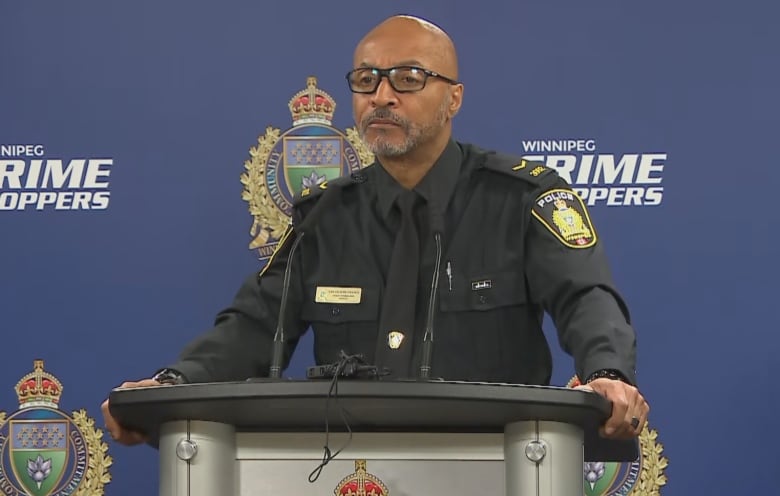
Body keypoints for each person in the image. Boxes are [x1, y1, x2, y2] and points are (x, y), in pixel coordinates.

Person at [102, 14, 649, 445]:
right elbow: (251, 326)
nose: (382, 96)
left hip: (494, 461)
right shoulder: (323, 215)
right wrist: (172, 385)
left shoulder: (522, 198)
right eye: (366, 80)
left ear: (454, 97)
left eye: (409, 78)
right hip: (348, 472)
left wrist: (607, 372)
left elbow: (587, 297)